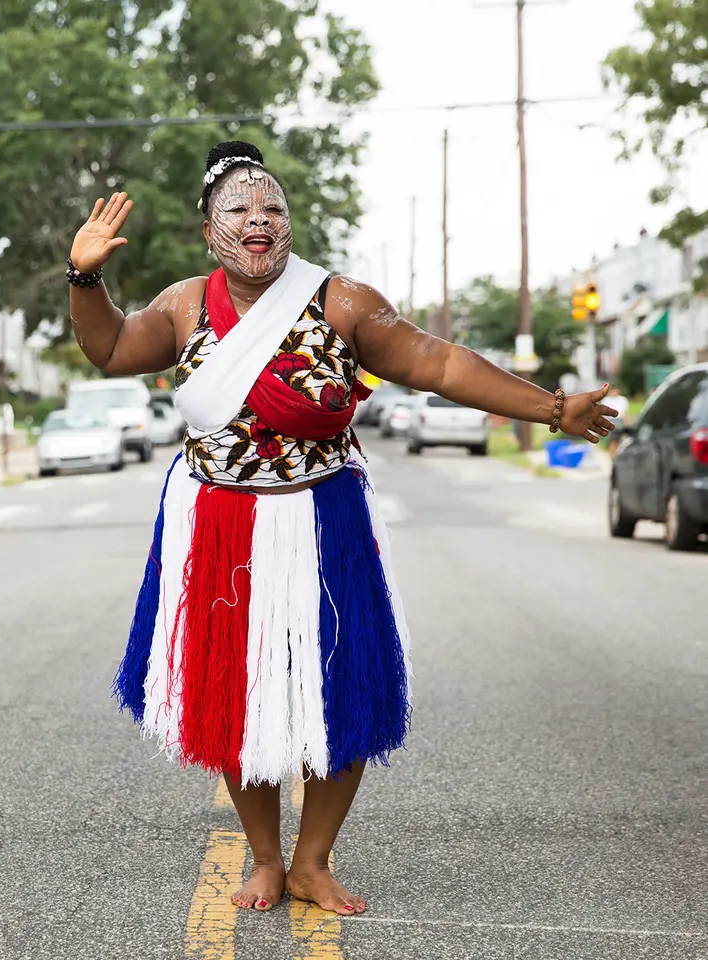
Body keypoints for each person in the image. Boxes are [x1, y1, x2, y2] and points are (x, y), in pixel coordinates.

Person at [67, 141, 617, 917]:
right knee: (238, 695)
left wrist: (553, 408)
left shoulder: (341, 301)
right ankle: (264, 859)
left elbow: (438, 362)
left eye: (273, 209)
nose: (259, 222)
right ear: (208, 231)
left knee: (342, 687)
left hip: (324, 519)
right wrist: (85, 278)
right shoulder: (185, 304)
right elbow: (109, 348)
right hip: (218, 525)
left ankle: (312, 861)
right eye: (239, 211)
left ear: (289, 223)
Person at [606, 385, 630, 459]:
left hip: (619, 420)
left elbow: (624, 413)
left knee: (618, 439)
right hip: (611, 420)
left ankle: (616, 454)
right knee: (614, 439)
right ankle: (613, 455)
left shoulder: (622, 400)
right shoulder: (607, 400)